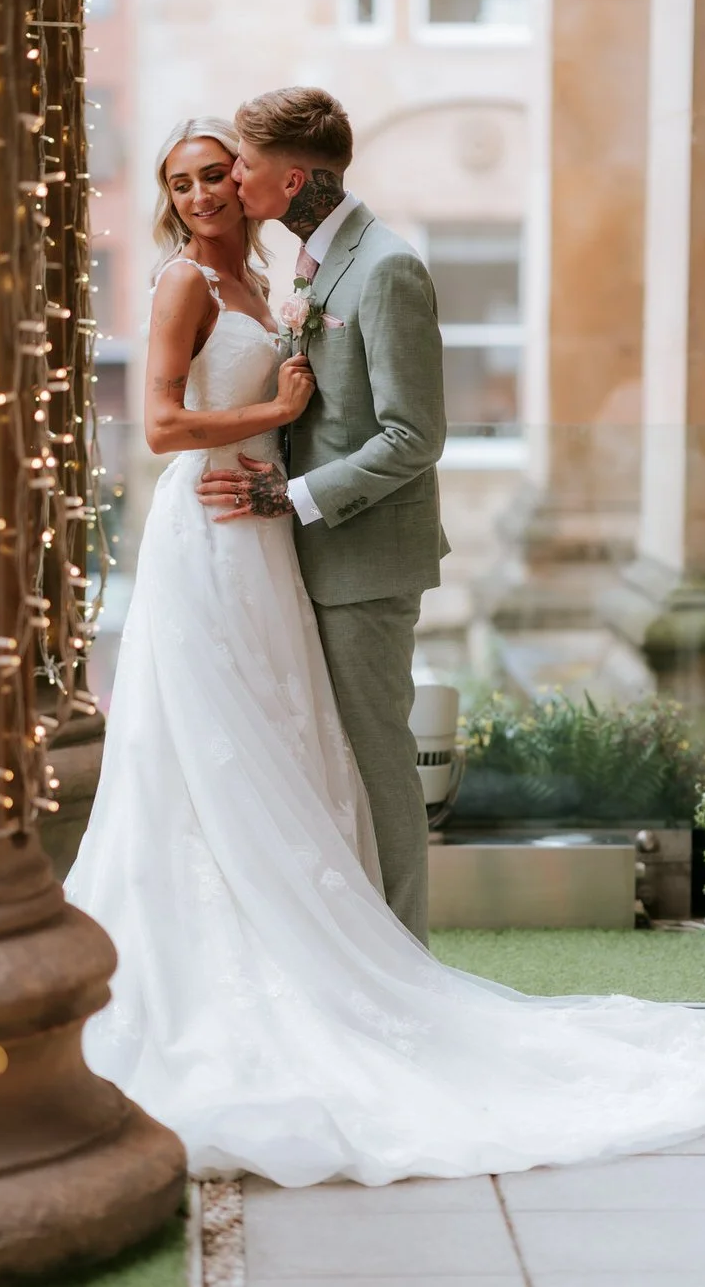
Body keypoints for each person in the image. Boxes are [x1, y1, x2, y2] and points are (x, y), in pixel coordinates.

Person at [63, 113, 705, 1189]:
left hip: (278, 535)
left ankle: (372, 967)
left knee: (307, 742)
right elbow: (158, 429)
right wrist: (275, 409)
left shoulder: (300, 273)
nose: (213, 189)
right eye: (192, 179)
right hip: (212, 531)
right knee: (212, 744)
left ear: (274, 179)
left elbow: (395, 428)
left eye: (226, 171)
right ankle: (321, 963)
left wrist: (282, 450)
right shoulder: (187, 285)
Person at [197, 87, 447, 945]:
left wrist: (292, 495)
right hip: (307, 555)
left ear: (293, 176)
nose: (233, 176)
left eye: (246, 164)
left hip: (365, 561)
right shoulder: (310, 260)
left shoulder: (386, 268)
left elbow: (414, 435)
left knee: (379, 764)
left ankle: (410, 960)